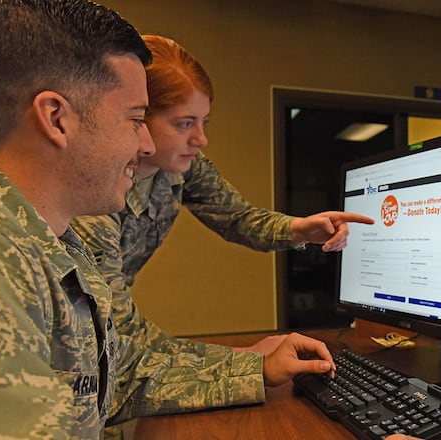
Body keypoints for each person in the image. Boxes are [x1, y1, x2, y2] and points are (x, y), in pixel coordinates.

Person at [0, 1, 336, 438]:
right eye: (136, 119)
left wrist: (255, 366)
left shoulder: (48, 236)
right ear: (56, 119)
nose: (145, 144)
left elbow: (113, 371)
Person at [70, 34, 375, 431]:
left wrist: (298, 229)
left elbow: (236, 217)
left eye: (203, 122)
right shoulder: (93, 198)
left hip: (112, 337)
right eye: (184, 124)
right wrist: (250, 365)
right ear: (139, 117)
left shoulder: (180, 168)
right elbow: (123, 344)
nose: (201, 139)